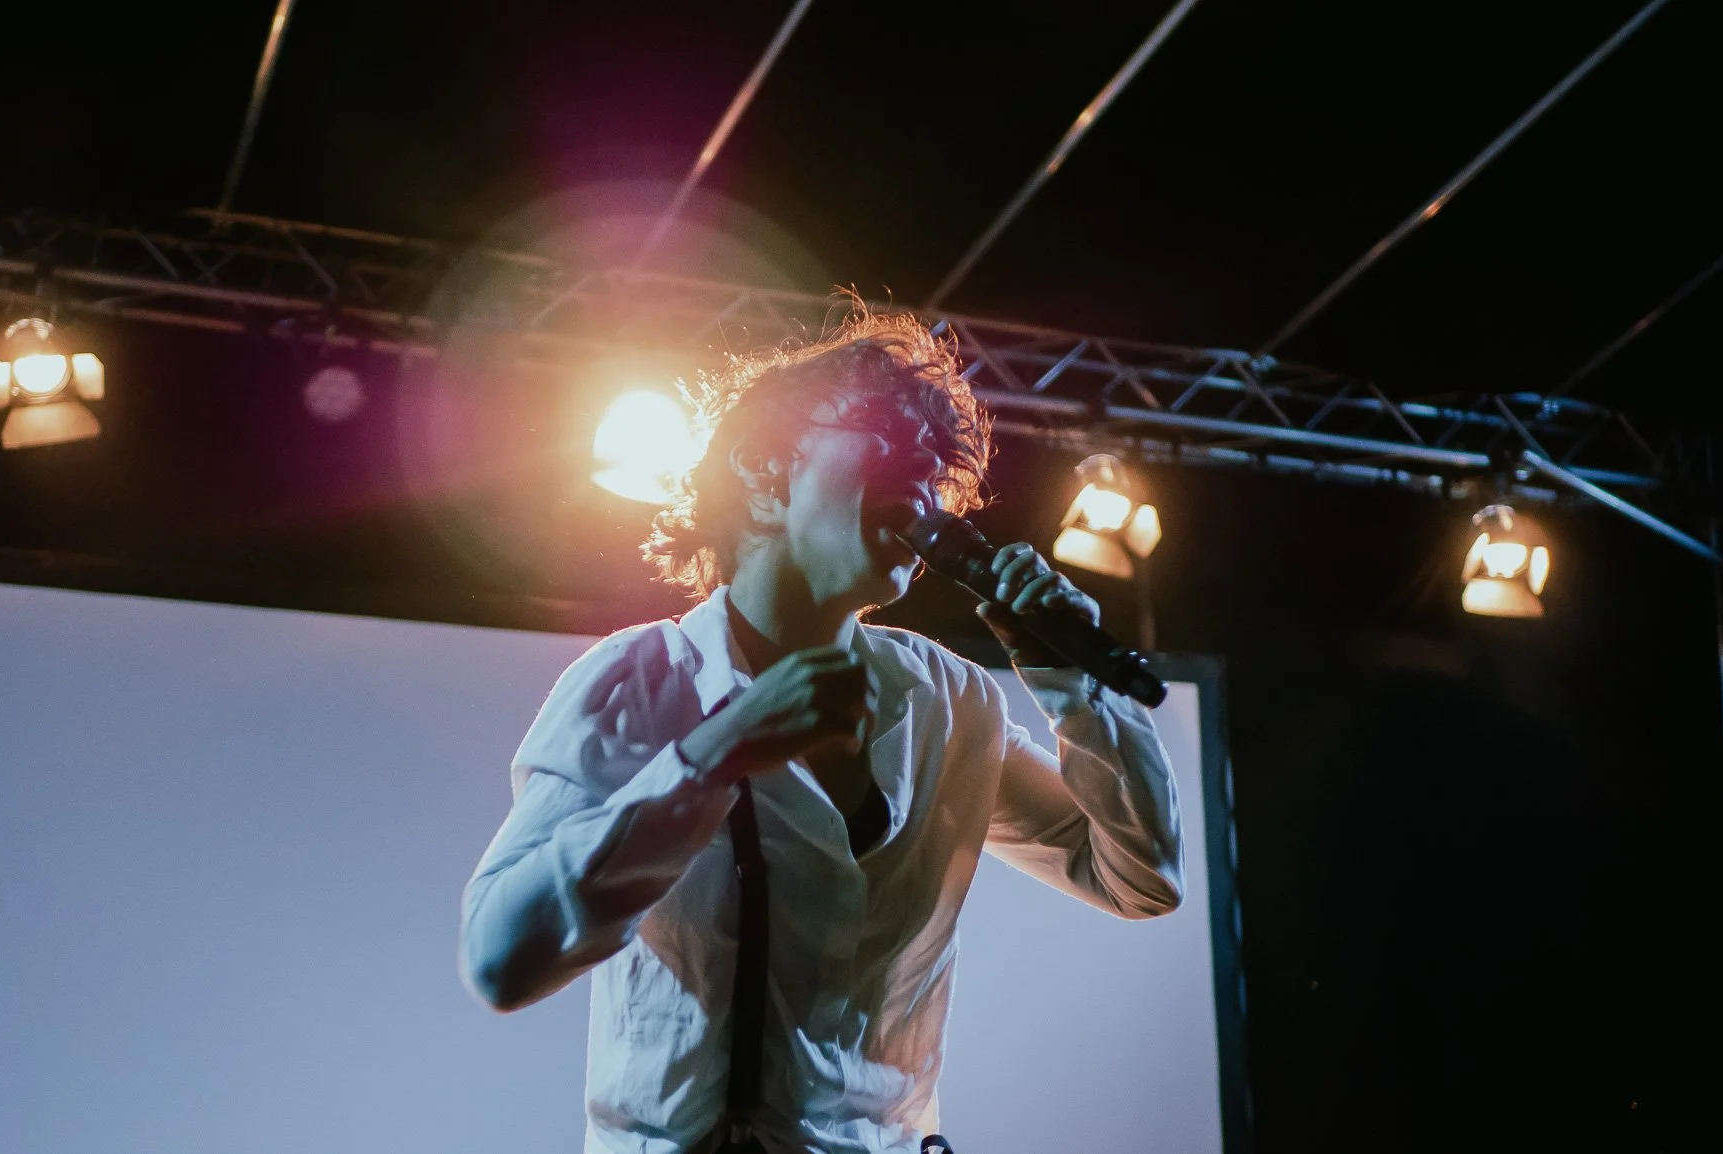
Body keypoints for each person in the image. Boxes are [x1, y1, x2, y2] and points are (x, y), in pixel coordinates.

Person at [459, 302, 1185, 1154]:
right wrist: (710, 757)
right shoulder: (642, 683)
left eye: (939, 465)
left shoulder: (949, 701)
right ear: (765, 467)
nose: (928, 482)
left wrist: (1078, 691)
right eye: (893, 440)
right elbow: (502, 959)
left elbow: (1139, 880)